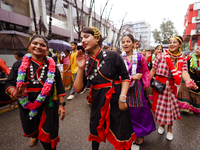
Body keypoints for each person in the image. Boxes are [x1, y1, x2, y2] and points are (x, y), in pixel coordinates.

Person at [74, 27, 136, 150]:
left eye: (86, 37)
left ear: (97, 38)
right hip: (98, 102)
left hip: (116, 100)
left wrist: (122, 98)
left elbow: (125, 78)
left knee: (121, 132)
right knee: (95, 131)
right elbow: (78, 89)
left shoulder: (112, 55)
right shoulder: (86, 62)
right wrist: (80, 68)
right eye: (81, 38)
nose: (83, 41)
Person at [5, 35, 66, 149]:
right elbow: (9, 83)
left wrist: (62, 105)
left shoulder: (52, 66)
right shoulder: (18, 65)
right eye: (35, 43)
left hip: (48, 105)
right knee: (31, 128)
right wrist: (15, 93)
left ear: (46, 50)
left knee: (48, 135)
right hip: (27, 104)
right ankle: (36, 135)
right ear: (29, 47)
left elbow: (60, 86)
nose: (38, 46)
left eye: (42, 45)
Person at [150, 36, 198, 141]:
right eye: (170, 42)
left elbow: (184, 72)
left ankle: (170, 129)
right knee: (159, 108)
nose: (171, 44)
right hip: (159, 86)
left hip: (172, 86)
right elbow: (153, 70)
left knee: (170, 108)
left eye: (175, 42)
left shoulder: (182, 58)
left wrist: (189, 81)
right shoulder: (161, 56)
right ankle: (162, 125)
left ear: (180, 45)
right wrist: (145, 82)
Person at [121, 34, 156, 145]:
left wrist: (146, 84)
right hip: (123, 89)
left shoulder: (140, 57)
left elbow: (145, 72)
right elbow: (116, 75)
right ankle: (128, 134)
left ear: (132, 43)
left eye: (128, 41)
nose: (125, 44)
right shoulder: (118, 58)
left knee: (138, 113)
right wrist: (131, 77)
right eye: (123, 42)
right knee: (125, 113)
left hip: (136, 89)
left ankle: (139, 135)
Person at [178, 46, 200, 115]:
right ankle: (189, 108)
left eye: (199, 49)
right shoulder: (189, 59)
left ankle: (196, 109)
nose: (198, 50)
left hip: (198, 79)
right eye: (197, 48)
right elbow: (185, 69)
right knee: (189, 93)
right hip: (190, 78)